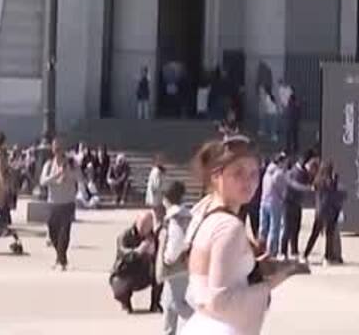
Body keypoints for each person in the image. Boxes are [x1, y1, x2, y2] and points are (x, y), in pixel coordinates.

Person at [182, 136, 300, 334]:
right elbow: (220, 301)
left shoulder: (203, 211)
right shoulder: (229, 226)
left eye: (254, 174)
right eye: (238, 173)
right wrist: (273, 281)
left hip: (201, 324)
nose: (248, 181)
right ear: (216, 176)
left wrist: (255, 268)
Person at [158, 180, 197, 334]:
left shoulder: (175, 218)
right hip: (186, 265)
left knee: (176, 305)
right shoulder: (187, 215)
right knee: (170, 304)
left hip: (175, 268)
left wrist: (168, 257)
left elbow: (176, 240)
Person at [110, 210, 161, 314]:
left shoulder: (153, 236)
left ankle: (155, 304)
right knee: (119, 287)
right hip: (125, 272)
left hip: (145, 272)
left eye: (147, 225)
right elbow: (123, 253)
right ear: (136, 222)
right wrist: (138, 251)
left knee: (161, 273)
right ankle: (125, 303)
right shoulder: (125, 235)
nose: (143, 228)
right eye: (141, 224)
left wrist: (153, 253)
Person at [41, 143, 81, 270]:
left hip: (67, 202)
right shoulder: (49, 165)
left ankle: (61, 260)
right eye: (55, 149)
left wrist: (68, 173)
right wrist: (57, 175)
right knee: (53, 232)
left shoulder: (72, 163)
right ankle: (60, 257)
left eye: (59, 149)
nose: (57, 152)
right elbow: (43, 181)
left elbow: (80, 177)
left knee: (64, 233)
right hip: (53, 202)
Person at [302, 160, 344, 265]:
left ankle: (305, 255)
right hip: (329, 211)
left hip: (319, 211)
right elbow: (332, 196)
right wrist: (335, 180)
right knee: (329, 236)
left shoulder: (317, 181)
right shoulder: (329, 182)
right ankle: (327, 257)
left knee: (314, 234)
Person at [258, 155, 288, 258]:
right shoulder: (279, 173)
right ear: (281, 162)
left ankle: (261, 248)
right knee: (274, 227)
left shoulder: (267, 173)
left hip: (264, 201)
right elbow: (282, 190)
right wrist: (283, 198)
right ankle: (272, 250)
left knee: (263, 227)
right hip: (275, 203)